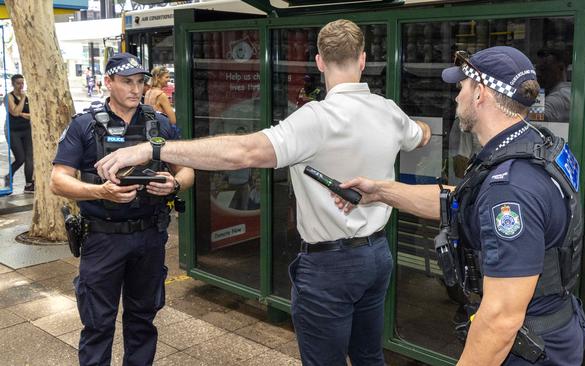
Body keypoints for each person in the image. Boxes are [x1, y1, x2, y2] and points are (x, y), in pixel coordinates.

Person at [94, 19, 431, 366]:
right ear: (362, 60)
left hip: (330, 267)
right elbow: (421, 135)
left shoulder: (316, 118)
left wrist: (154, 150)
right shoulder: (388, 111)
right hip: (377, 256)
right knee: (368, 356)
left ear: (318, 61)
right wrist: (417, 127)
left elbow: (241, 153)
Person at [334, 47, 585, 365]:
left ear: (480, 93)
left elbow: (500, 320)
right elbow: (462, 199)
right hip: (553, 331)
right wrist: (381, 191)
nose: (457, 96)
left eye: (461, 86)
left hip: (527, 349)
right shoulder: (531, 147)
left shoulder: (509, 190)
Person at [50, 53, 194, 366]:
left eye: (140, 82)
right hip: (102, 240)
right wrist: (100, 191)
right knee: (98, 324)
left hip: (150, 237)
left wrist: (175, 184)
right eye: (127, 81)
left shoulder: (158, 124)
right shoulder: (85, 125)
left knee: (143, 320)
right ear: (108, 82)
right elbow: (58, 181)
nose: (135, 88)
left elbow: (187, 171)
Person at [6, 74, 34, 192]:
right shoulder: (9, 97)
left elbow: (33, 114)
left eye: (22, 83)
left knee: (29, 158)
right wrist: (22, 99)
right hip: (13, 131)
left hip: (26, 130)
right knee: (20, 158)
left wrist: (23, 114)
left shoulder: (28, 97)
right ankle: (9, 176)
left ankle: (28, 184)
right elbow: (15, 112)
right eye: (18, 83)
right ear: (13, 84)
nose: (21, 86)